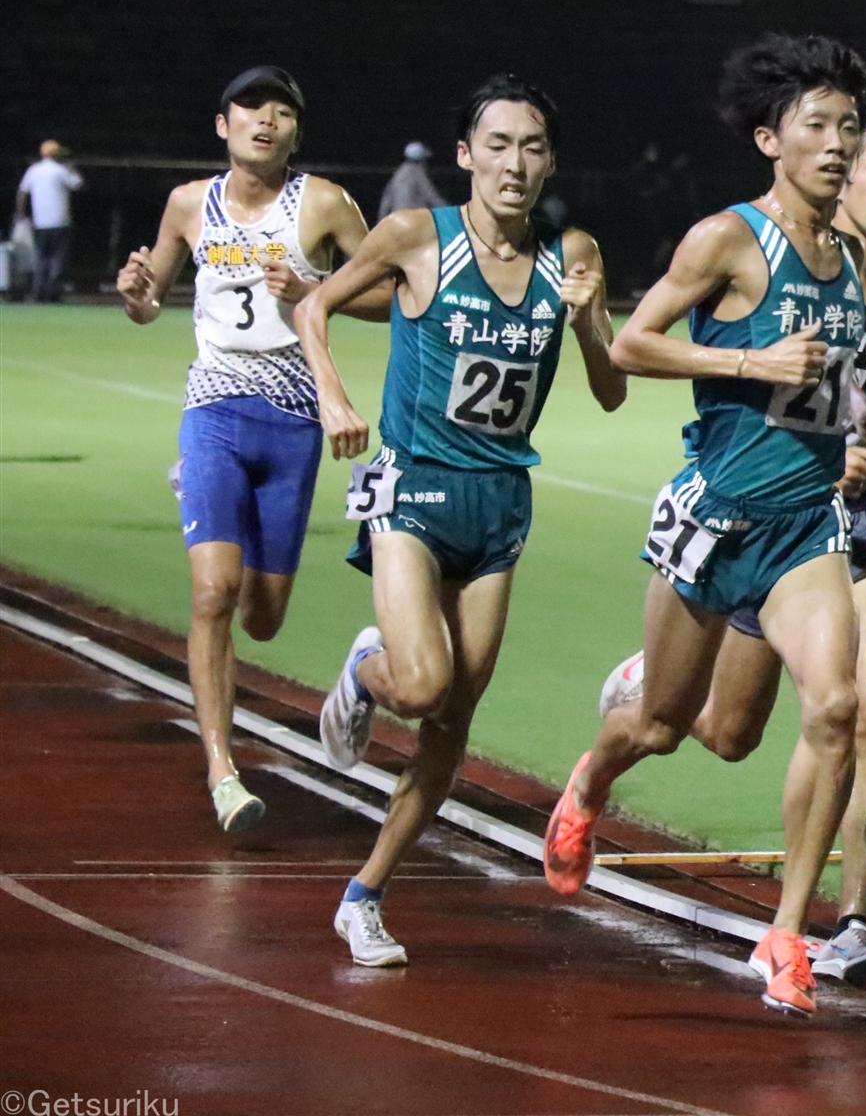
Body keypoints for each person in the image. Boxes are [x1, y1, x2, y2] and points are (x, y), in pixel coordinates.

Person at [539, 34, 866, 1019]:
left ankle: (784, 934)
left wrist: (857, 417)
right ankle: (591, 777)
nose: (838, 145)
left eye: (849, 127)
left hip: (802, 533)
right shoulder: (727, 239)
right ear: (767, 137)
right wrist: (752, 365)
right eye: (817, 127)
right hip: (714, 521)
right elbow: (633, 342)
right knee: (676, 727)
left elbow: (822, 376)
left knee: (835, 711)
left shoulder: (852, 255)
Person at [593, 91, 866, 992]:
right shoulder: (782, 256)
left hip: (853, 515)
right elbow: (779, 368)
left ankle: (842, 925)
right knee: (725, 733)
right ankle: (655, 681)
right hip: (765, 506)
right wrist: (810, 404)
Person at [293, 75, 627, 968]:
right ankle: (368, 671)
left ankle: (365, 895)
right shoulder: (416, 237)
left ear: (550, 159)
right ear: (465, 154)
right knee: (422, 685)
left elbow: (609, 389)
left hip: (500, 503)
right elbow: (312, 303)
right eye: (498, 144)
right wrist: (332, 397)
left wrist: (592, 320)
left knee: (452, 722)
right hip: (411, 484)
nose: (514, 163)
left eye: (532, 147)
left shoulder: (573, 250)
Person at [114, 66, 385, 834]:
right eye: (250, 109)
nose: (265, 121)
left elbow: (395, 296)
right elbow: (147, 300)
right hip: (215, 408)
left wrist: (314, 289)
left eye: (282, 111)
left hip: (294, 423)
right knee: (212, 595)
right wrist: (136, 290)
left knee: (263, 618)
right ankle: (222, 770)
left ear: (297, 130)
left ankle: (357, 667)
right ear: (222, 124)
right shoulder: (185, 205)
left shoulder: (325, 203)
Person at [16, 139, 83, 302]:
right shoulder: (61, 170)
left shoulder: (34, 170)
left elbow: (22, 193)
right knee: (57, 259)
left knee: (41, 259)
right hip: (61, 221)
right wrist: (71, 166)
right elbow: (78, 184)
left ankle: (38, 293)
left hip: (40, 222)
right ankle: (53, 294)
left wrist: (20, 214)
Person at [378, 141, 447, 220]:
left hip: (396, 218)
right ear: (421, 159)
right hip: (413, 219)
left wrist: (381, 220)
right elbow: (431, 196)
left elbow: (386, 199)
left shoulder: (399, 172)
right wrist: (448, 210)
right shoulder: (417, 172)